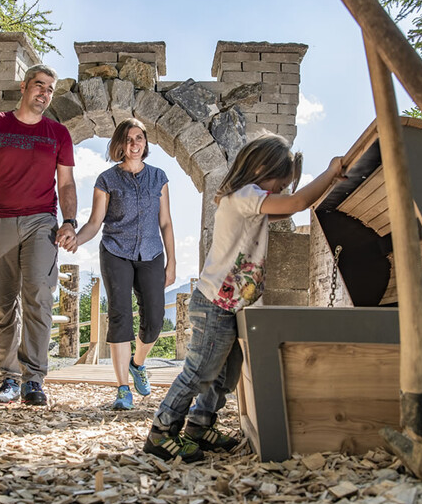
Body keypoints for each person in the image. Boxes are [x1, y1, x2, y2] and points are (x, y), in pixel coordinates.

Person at [144, 134, 346, 462]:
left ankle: (200, 425)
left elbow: (283, 210)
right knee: (198, 372)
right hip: (214, 306)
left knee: (225, 374)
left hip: (228, 306)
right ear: (262, 171)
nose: (280, 194)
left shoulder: (248, 202)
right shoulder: (244, 196)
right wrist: (329, 173)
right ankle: (162, 432)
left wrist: (322, 187)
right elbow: (296, 204)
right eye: (280, 186)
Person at [0, 64, 77, 407]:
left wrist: (70, 221)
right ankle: (9, 378)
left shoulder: (58, 133)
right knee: (2, 303)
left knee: (38, 294)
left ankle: (33, 380)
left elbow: (65, 183)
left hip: (41, 221)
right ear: (24, 86)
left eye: (50, 89)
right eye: (39, 85)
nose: (45, 93)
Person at [63, 118, 176, 410]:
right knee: (120, 316)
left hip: (152, 253)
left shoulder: (159, 178)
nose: (134, 144)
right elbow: (95, 223)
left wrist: (172, 261)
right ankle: (122, 388)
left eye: (139, 138)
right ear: (119, 145)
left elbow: (165, 222)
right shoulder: (107, 180)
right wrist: (77, 238)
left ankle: (138, 364)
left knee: (154, 319)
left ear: (145, 143)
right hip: (115, 252)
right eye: (128, 140)